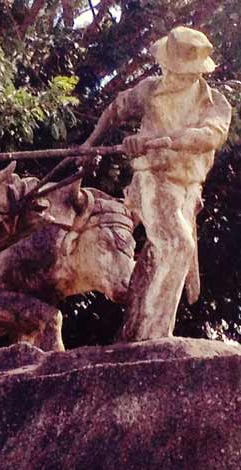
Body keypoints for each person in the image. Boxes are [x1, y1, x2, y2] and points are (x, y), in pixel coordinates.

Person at [80, 26, 232, 341]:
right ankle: (154, 334)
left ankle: (138, 330)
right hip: (153, 181)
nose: (181, 78)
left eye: (187, 73)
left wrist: (165, 140)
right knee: (178, 245)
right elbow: (115, 109)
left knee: (159, 257)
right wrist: (90, 145)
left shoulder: (214, 103)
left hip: (188, 189)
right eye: (176, 71)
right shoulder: (149, 90)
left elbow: (209, 135)